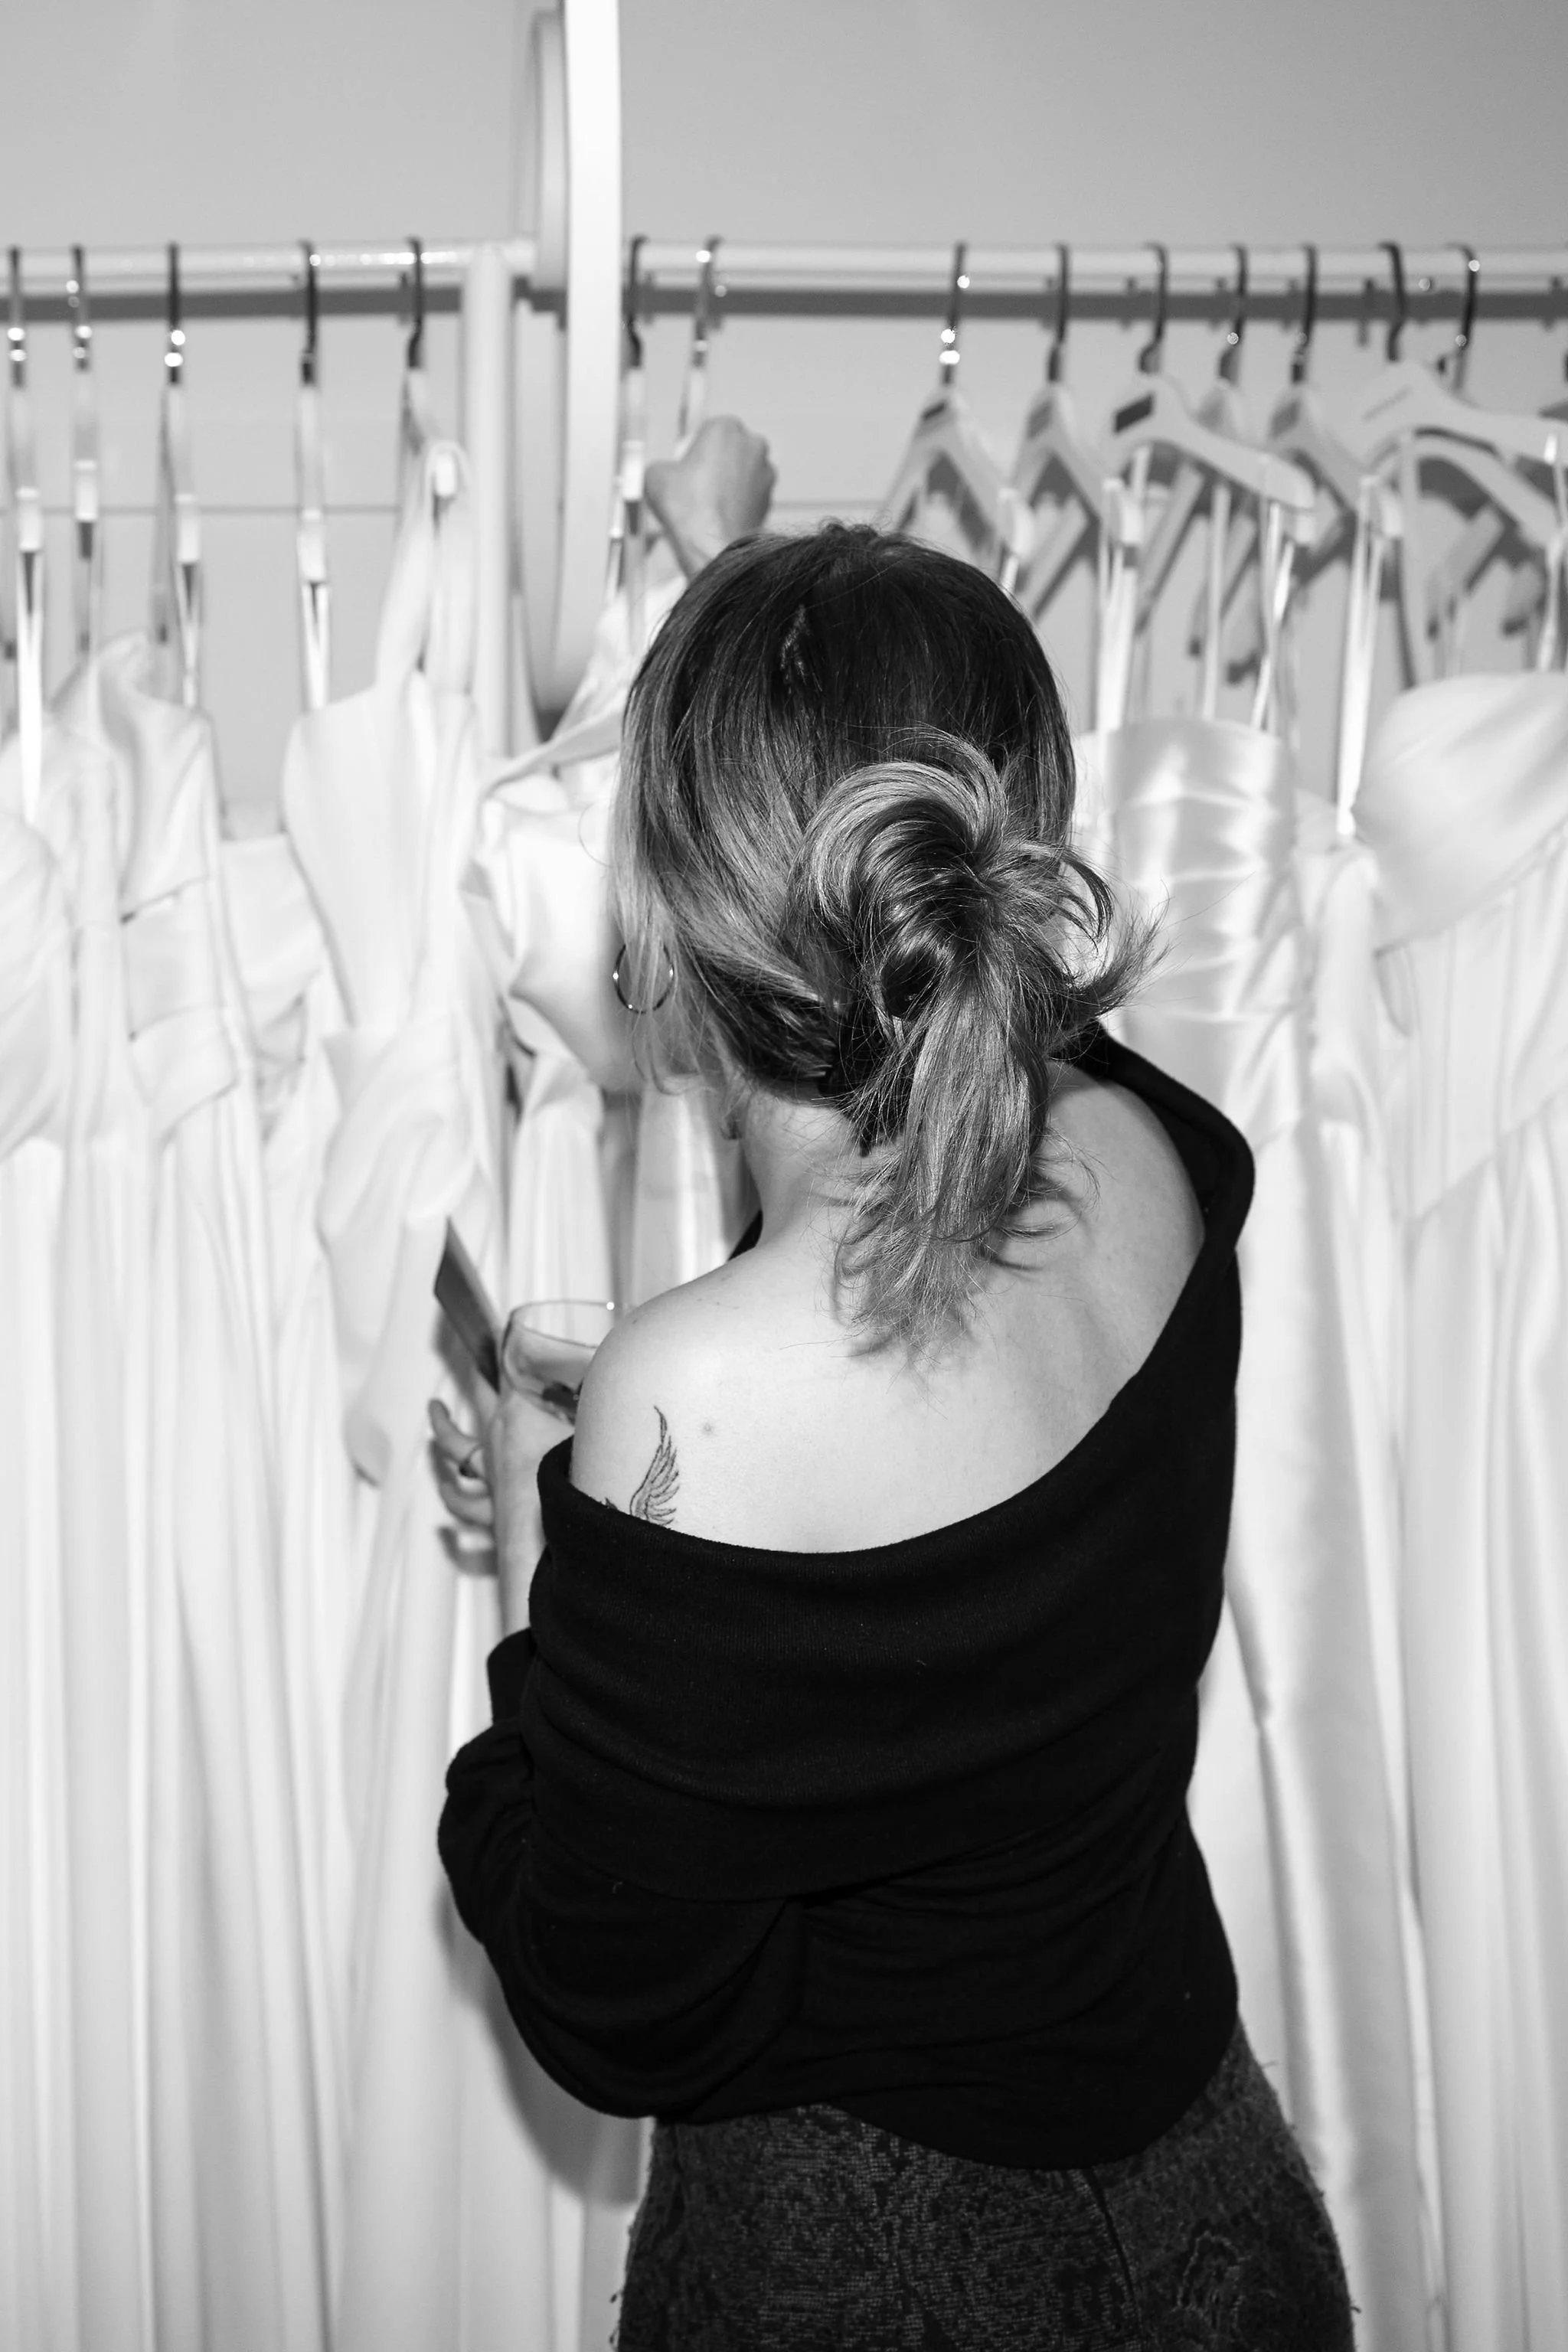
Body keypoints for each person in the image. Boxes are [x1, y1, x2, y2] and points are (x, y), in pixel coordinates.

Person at [433, 494, 1356, 2347]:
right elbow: (979, 1525)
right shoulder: (1151, 1145)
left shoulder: (695, 1395)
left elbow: (617, 2004)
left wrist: (560, 1525)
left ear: (676, 899)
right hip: (1213, 2226)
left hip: (876, 2280)